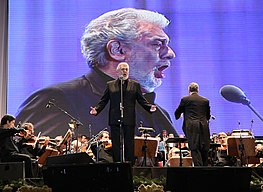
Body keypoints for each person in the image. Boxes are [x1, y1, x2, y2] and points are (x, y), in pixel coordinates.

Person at [15, 8, 178, 138]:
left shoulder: (159, 114)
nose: (170, 53)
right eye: (158, 44)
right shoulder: (57, 100)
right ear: (117, 50)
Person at [90, 62, 157, 165]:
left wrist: (149, 107)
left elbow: (141, 100)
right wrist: (97, 109)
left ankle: (129, 164)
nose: (124, 71)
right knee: (116, 143)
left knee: (129, 143)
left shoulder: (134, 85)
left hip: (129, 118)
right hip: (115, 117)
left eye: (126, 69)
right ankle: (117, 163)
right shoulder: (111, 85)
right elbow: (104, 100)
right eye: (122, 69)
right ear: (117, 72)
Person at [174, 82, 211, 166]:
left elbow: (178, 112)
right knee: (204, 148)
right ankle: (205, 169)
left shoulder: (185, 100)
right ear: (198, 90)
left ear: (189, 90)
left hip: (191, 127)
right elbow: (207, 116)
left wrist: (179, 115)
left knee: (195, 148)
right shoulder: (205, 101)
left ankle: (198, 171)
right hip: (204, 126)